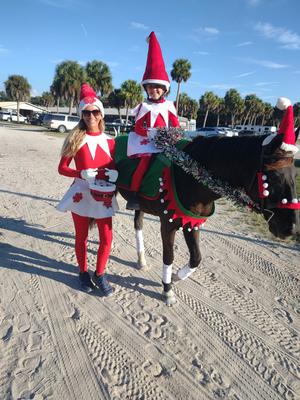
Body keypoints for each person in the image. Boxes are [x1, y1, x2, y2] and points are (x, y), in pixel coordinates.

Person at [57, 83, 118, 296]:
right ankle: (83, 272)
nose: (90, 115)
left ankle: (99, 274)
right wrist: (79, 174)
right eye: (86, 112)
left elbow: (114, 167)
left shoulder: (111, 142)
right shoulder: (75, 138)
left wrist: (115, 174)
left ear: (101, 114)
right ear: (81, 114)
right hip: (81, 194)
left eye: (95, 111)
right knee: (81, 236)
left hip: (103, 196)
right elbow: (62, 168)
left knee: (107, 238)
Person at [126, 31, 180, 210]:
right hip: (147, 142)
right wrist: (151, 134)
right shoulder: (144, 107)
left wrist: (173, 135)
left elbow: (175, 125)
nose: (153, 90)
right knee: (145, 161)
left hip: (166, 141)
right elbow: (138, 127)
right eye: (150, 87)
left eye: (157, 87)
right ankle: (133, 194)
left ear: (164, 89)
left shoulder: (170, 106)